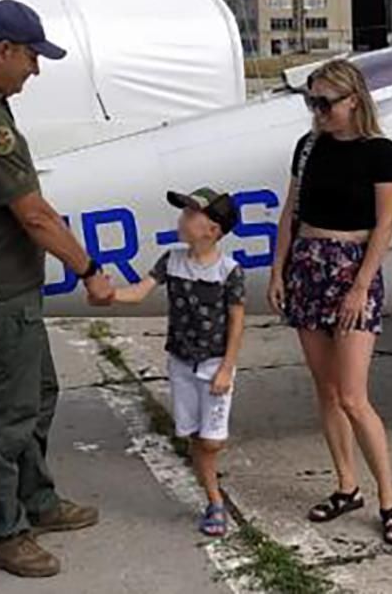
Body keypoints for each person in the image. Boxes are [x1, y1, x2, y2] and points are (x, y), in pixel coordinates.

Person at [0, 0, 115, 578]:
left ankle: (37, 501)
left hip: (4, 283)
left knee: (38, 393)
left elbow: (28, 205)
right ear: (2, 50)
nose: (35, 69)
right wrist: (88, 270)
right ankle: (3, 533)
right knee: (7, 413)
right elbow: (32, 215)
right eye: (32, 56)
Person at [268, 59, 392, 546]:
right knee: (326, 390)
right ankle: (346, 486)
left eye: (326, 103)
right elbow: (291, 211)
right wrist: (278, 269)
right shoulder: (308, 148)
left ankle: (389, 499)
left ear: (354, 100)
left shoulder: (381, 152)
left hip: (354, 268)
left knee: (353, 396)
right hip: (308, 265)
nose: (318, 112)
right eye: (312, 102)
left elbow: (385, 225)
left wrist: (360, 285)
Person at [103, 188, 246, 538]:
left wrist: (228, 366)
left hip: (214, 364)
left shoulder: (229, 271)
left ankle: (210, 488)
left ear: (212, 230)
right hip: (181, 362)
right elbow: (139, 292)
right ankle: (214, 500)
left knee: (211, 441)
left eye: (191, 214)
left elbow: (237, 321)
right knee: (194, 434)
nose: (182, 219)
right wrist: (109, 295)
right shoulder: (172, 260)